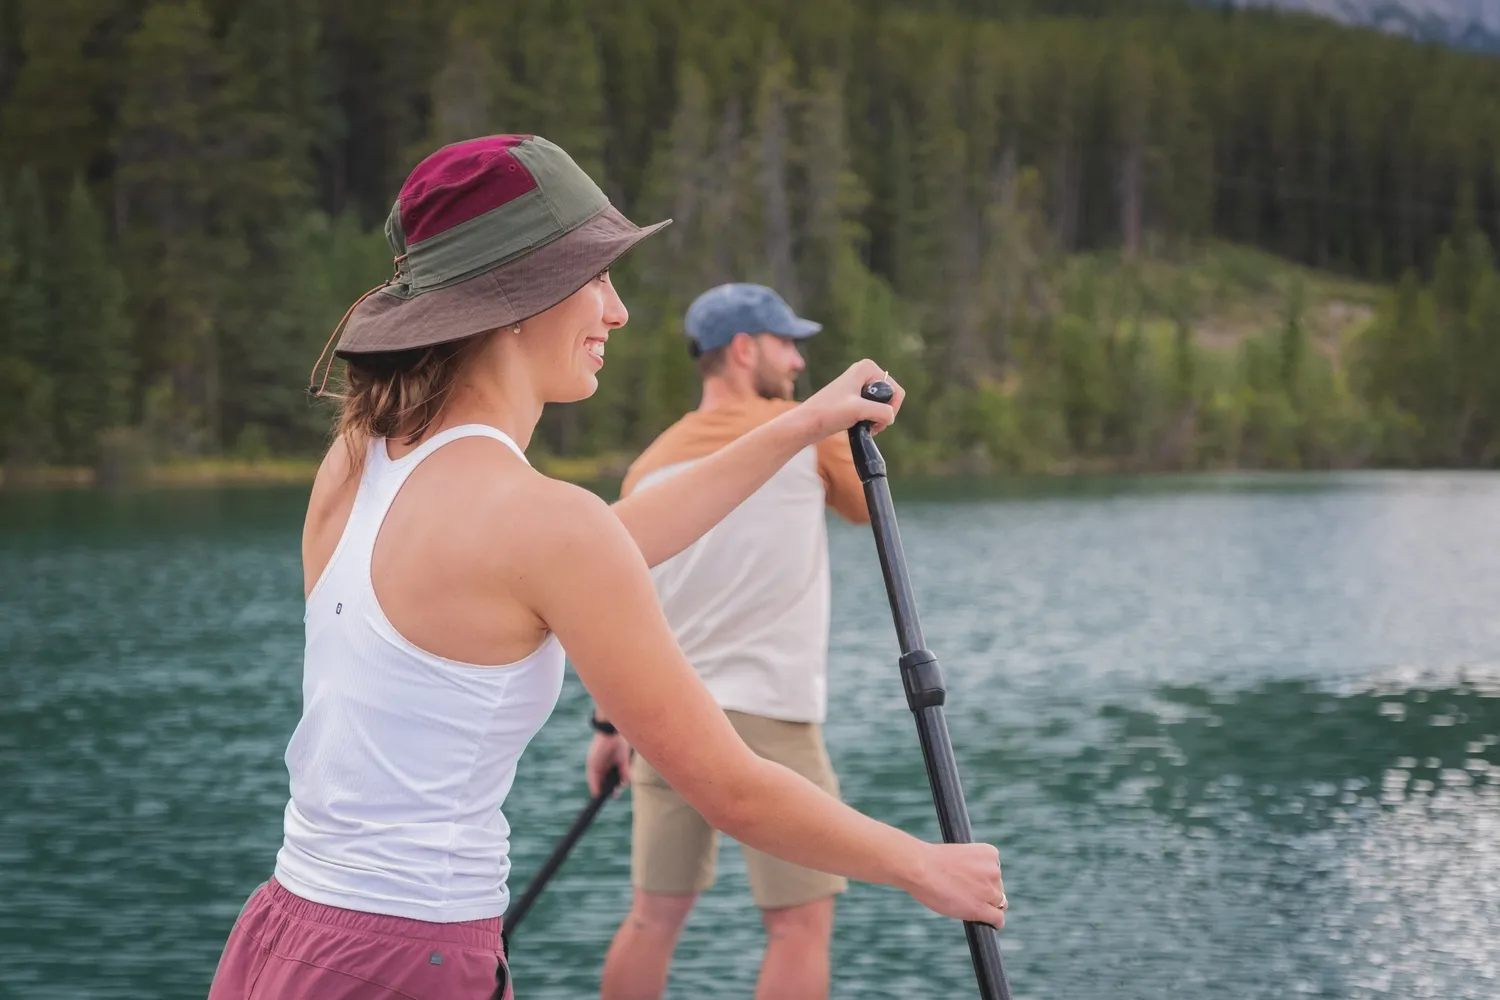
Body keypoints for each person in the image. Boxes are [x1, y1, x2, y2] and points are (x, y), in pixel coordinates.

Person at [206, 134, 1006, 1000]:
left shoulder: (360, 459)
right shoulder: (544, 525)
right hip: (412, 962)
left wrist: (800, 422)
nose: (617, 311)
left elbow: (611, 539)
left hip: (285, 938)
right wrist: (925, 866)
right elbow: (732, 791)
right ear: (517, 300)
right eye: (596, 277)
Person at [590, 283, 870, 1000]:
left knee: (653, 919)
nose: (800, 363)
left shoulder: (649, 465)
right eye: (787, 343)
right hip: (769, 718)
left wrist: (610, 725)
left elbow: (617, 605)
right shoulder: (807, 435)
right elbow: (869, 507)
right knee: (800, 925)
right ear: (745, 350)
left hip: (665, 720)